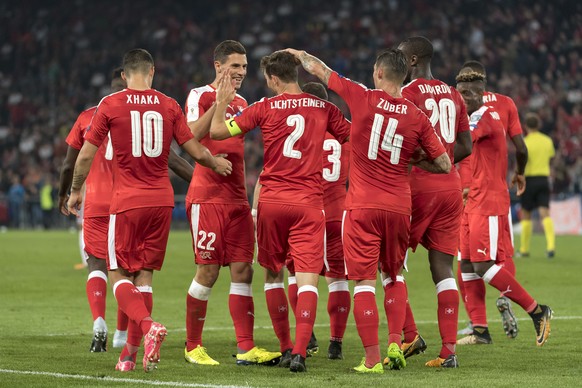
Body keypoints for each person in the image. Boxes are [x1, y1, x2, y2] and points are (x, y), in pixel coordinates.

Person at [286, 47, 451, 373]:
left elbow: (321, 71)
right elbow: (445, 163)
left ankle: (373, 358)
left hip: (361, 207)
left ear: (378, 73)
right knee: (393, 275)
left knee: (363, 283)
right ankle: (396, 339)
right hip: (399, 209)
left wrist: (300, 55)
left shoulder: (362, 96)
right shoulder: (417, 116)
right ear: (403, 76)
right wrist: (415, 159)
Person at [67, 48, 232, 373]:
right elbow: (193, 150)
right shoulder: (168, 104)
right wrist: (216, 163)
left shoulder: (111, 104)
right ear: (152, 72)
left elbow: (85, 156)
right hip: (161, 202)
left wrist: (75, 191)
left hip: (126, 200)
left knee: (116, 272)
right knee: (144, 276)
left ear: (125, 76)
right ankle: (129, 356)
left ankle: (147, 326)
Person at [210, 51, 351, 373]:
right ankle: (301, 352)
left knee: (274, 274)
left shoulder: (262, 106)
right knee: (308, 281)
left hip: (272, 202)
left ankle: (286, 346)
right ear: (296, 75)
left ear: (273, 79)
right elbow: (354, 136)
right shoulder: (325, 108)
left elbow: (217, 132)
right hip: (309, 204)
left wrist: (221, 101)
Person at [58, 68, 194, 353]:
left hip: (98, 203)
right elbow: (172, 158)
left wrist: (67, 192)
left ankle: (99, 322)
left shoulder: (88, 117)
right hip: (135, 200)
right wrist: (201, 179)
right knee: (133, 271)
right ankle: (123, 335)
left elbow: (71, 162)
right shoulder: (144, 116)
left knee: (99, 266)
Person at [182, 40, 280, 366]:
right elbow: (189, 136)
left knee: (243, 270)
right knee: (208, 271)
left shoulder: (243, 102)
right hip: (207, 197)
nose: (240, 72)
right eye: (235, 66)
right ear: (218, 65)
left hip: (237, 198)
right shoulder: (199, 95)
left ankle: (246, 347)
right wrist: (218, 103)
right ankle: (193, 346)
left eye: (244, 67)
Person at [455, 69, 552, 348]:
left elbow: (459, 148)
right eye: (459, 91)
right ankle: (480, 330)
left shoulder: (482, 117)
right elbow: (519, 149)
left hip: (487, 199)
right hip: (472, 197)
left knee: (486, 263)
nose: (460, 97)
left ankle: (536, 310)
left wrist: (426, 159)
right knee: (467, 264)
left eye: (465, 93)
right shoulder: (494, 109)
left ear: (478, 93)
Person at [393, 36, 472, 368]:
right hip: (451, 187)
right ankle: (449, 351)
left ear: (411, 60)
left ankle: (408, 336)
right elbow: (466, 146)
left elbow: (399, 144)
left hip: (416, 190)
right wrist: (444, 161)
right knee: (443, 267)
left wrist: (421, 164)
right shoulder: (453, 95)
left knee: (390, 263)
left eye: (399, 58)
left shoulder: (407, 94)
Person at [281, 81, 352, 360]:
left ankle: (306, 335)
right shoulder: (344, 128)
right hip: (338, 213)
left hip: (305, 213)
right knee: (338, 280)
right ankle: (336, 342)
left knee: (298, 276)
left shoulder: (298, 130)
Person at [519, 112, 556, 258]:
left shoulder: (525, 142)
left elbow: (522, 159)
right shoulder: (547, 140)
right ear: (539, 125)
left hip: (529, 179)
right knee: (545, 213)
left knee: (526, 214)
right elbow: (551, 158)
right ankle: (551, 247)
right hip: (543, 179)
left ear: (526, 126)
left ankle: (524, 249)